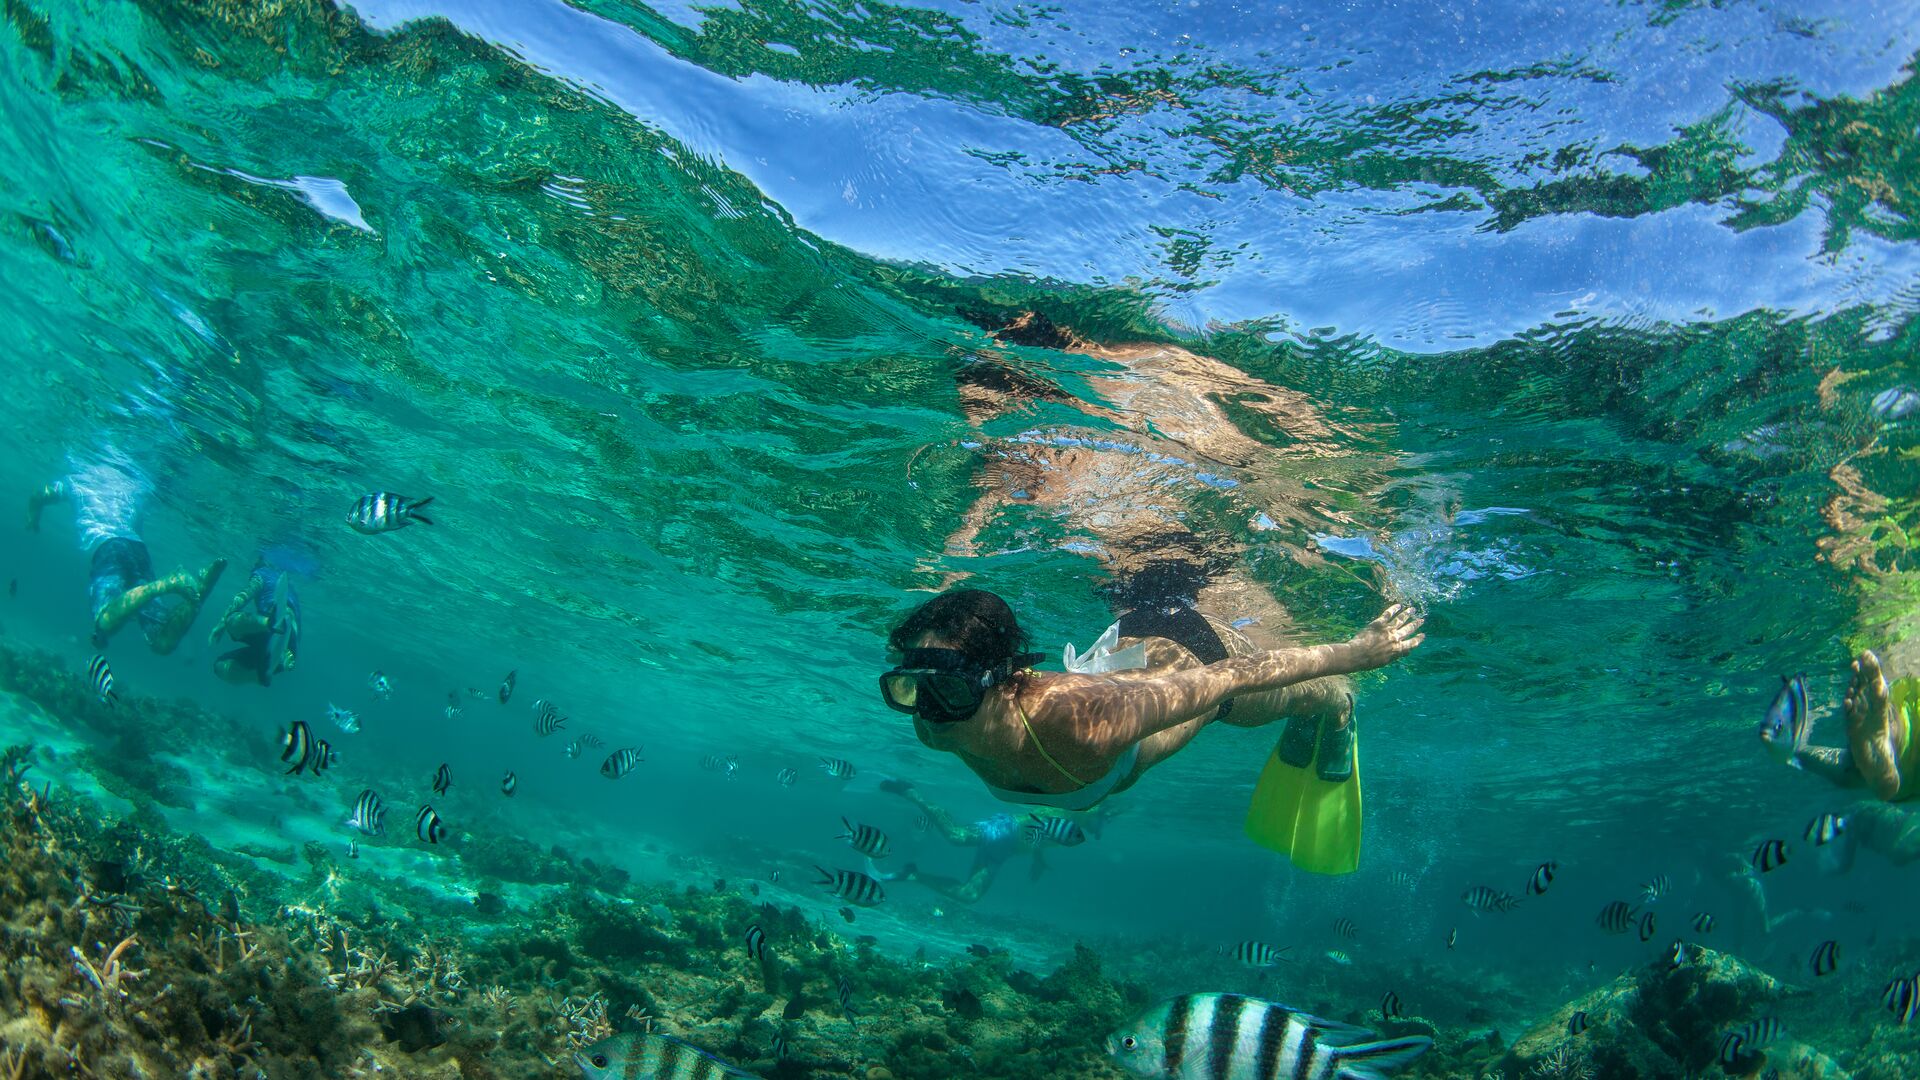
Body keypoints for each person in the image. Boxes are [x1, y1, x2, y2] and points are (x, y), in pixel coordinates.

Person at [879, 588, 1423, 875]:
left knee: (1265, 700)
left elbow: (1229, 675)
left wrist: (1358, 652)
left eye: (947, 692)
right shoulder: (936, 723)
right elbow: (939, 691)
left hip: (1193, 658)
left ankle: (1337, 702)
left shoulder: (1081, 723)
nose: (926, 711)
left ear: (1005, 683)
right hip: (1133, 648)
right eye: (907, 689)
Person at [26, 458, 224, 653]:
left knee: (104, 621)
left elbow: (38, 495)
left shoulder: (76, 478)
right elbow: (136, 522)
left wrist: (33, 519)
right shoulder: (130, 483)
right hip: (136, 547)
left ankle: (168, 583)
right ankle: (201, 589)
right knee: (162, 642)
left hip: (106, 545)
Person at [870, 779, 1093, 903]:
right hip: (1004, 830)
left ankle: (913, 875)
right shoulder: (1069, 809)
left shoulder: (1072, 830)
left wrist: (1039, 859)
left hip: (1006, 851)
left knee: (970, 895)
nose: (1097, 826)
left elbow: (1043, 837)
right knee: (955, 836)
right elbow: (1037, 818)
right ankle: (913, 795)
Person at [208, 555, 301, 686]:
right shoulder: (290, 587)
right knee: (222, 667)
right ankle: (262, 674)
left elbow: (244, 596)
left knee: (231, 623)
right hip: (288, 648)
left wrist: (222, 623)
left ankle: (269, 623)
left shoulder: (262, 573)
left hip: (274, 626)